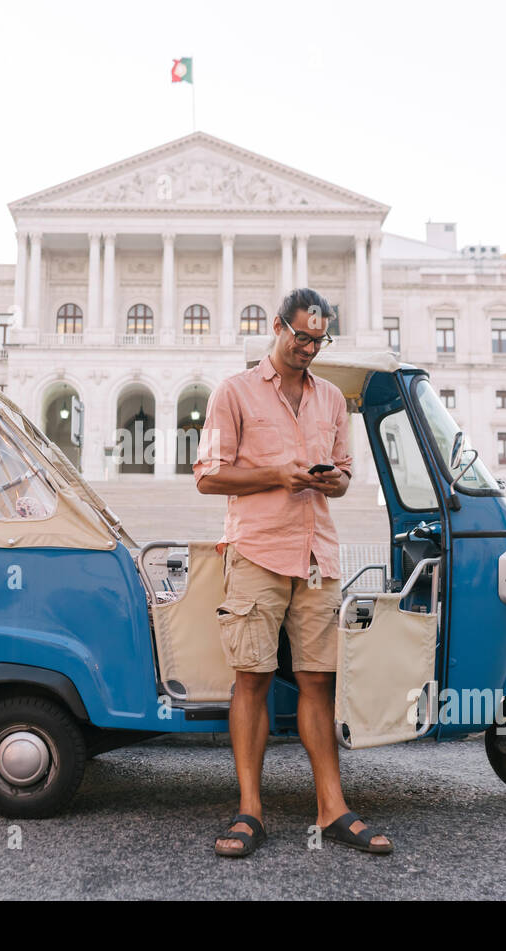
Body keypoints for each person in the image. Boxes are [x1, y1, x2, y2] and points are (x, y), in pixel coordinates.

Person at [193, 287, 394, 857]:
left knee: (317, 681)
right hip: (256, 551)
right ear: (277, 327)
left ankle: (332, 807)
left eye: (318, 338)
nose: (309, 347)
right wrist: (277, 474)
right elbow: (208, 475)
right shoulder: (232, 393)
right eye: (301, 335)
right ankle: (249, 811)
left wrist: (334, 481)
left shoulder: (331, 398)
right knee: (252, 680)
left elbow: (348, 474)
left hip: (317, 556)